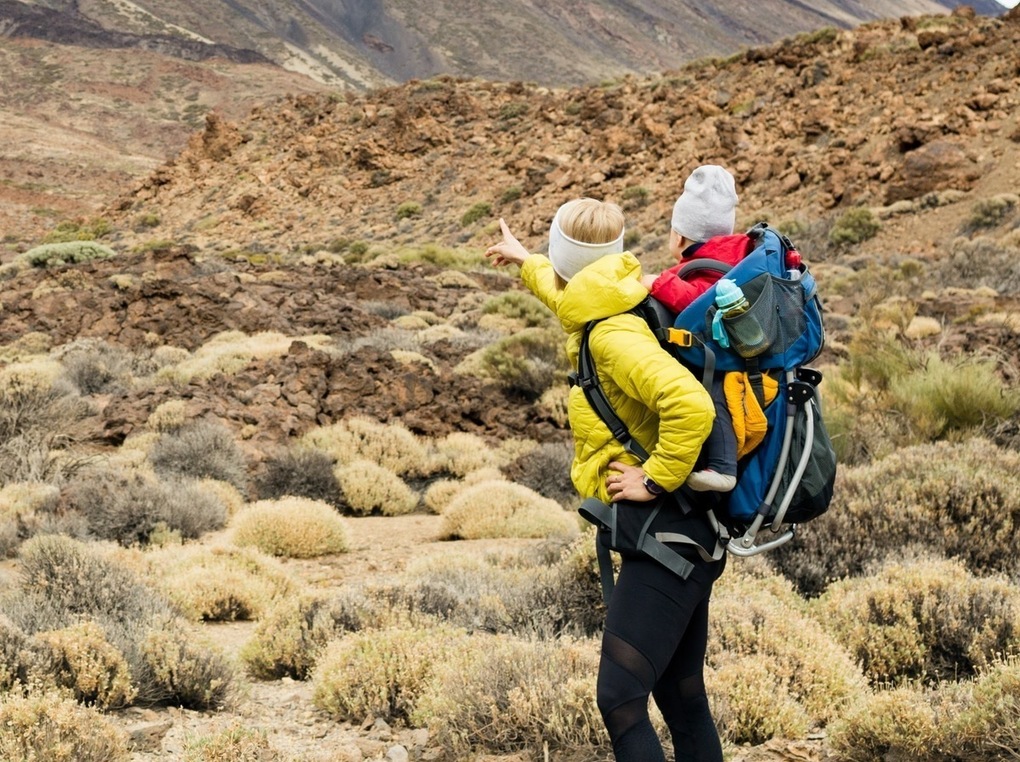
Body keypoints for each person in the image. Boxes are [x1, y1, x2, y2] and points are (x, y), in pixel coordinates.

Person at [486, 197, 726, 762]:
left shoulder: (611, 336)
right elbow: (564, 293)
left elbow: (691, 406)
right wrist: (526, 261)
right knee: (679, 691)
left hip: (666, 533)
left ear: (567, 256)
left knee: (619, 698)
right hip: (685, 532)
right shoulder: (610, 295)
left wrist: (656, 478)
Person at [642, 165, 748, 493]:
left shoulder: (708, 266)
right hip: (742, 346)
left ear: (679, 236)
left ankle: (723, 469)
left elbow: (699, 301)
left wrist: (657, 282)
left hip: (727, 355)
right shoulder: (735, 254)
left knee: (710, 392)